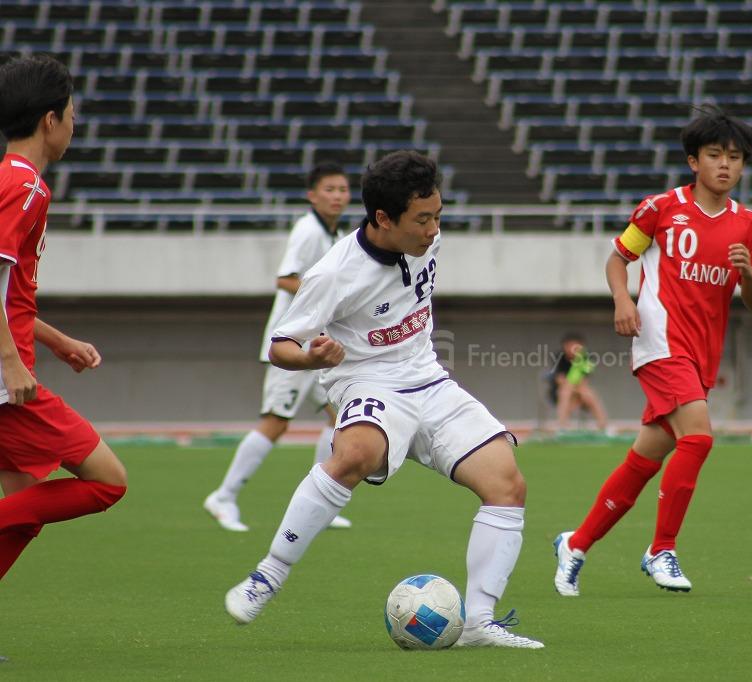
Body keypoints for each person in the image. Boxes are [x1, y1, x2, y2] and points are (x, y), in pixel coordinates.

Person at [223, 150, 542, 648]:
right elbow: (280, 344)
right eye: (423, 219)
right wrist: (312, 359)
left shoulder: (425, 241)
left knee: (507, 482)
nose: (434, 229)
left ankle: (480, 622)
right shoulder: (334, 273)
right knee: (354, 454)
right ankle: (268, 574)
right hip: (369, 383)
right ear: (382, 219)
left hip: (430, 380)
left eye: (438, 215)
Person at [553, 107, 752, 596]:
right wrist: (622, 299)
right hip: (659, 342)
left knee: (644, 459)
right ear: (693, 161)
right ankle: (662, 548)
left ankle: (577, 542)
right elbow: (618, 258)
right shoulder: (660, 208)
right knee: (698, 438)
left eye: (734, 158)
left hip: (702, 355)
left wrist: (750, 275)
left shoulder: (749, 227)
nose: (725, 165)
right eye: (715, 155)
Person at [0, 56, 127, 585]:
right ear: (50, 120)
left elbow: (9, 295)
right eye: (72, 114)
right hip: (6, 380)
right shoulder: (25, 187)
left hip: (13, 364)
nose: (75, 126)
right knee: (107, 481)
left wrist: (54, 340)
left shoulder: (10, 180)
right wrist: (12, 363)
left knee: (23, 510)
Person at [204, 162, 353, 532]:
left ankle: (319, 500)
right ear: (312, 195)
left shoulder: (337, 235)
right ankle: (224, 496)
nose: (337, 196)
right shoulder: (307, 230)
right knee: (276, 422)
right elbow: (285, 279)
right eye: (329, 189)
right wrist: (324, 299)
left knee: (337, 418)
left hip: (318, 343)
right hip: (292, 343)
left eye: (343, 189)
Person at [548, 332, 609, 433]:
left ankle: (603, 426)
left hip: (579, 391)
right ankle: (562, 426)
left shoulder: (586, 358)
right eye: (569, 345)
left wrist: (579, 390)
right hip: (559, 392)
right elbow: (560, 380)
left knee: (589, 394)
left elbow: (584, 381)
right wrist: (572, 387)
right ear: (564, 346)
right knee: (565, 392)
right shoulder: (559, 357)